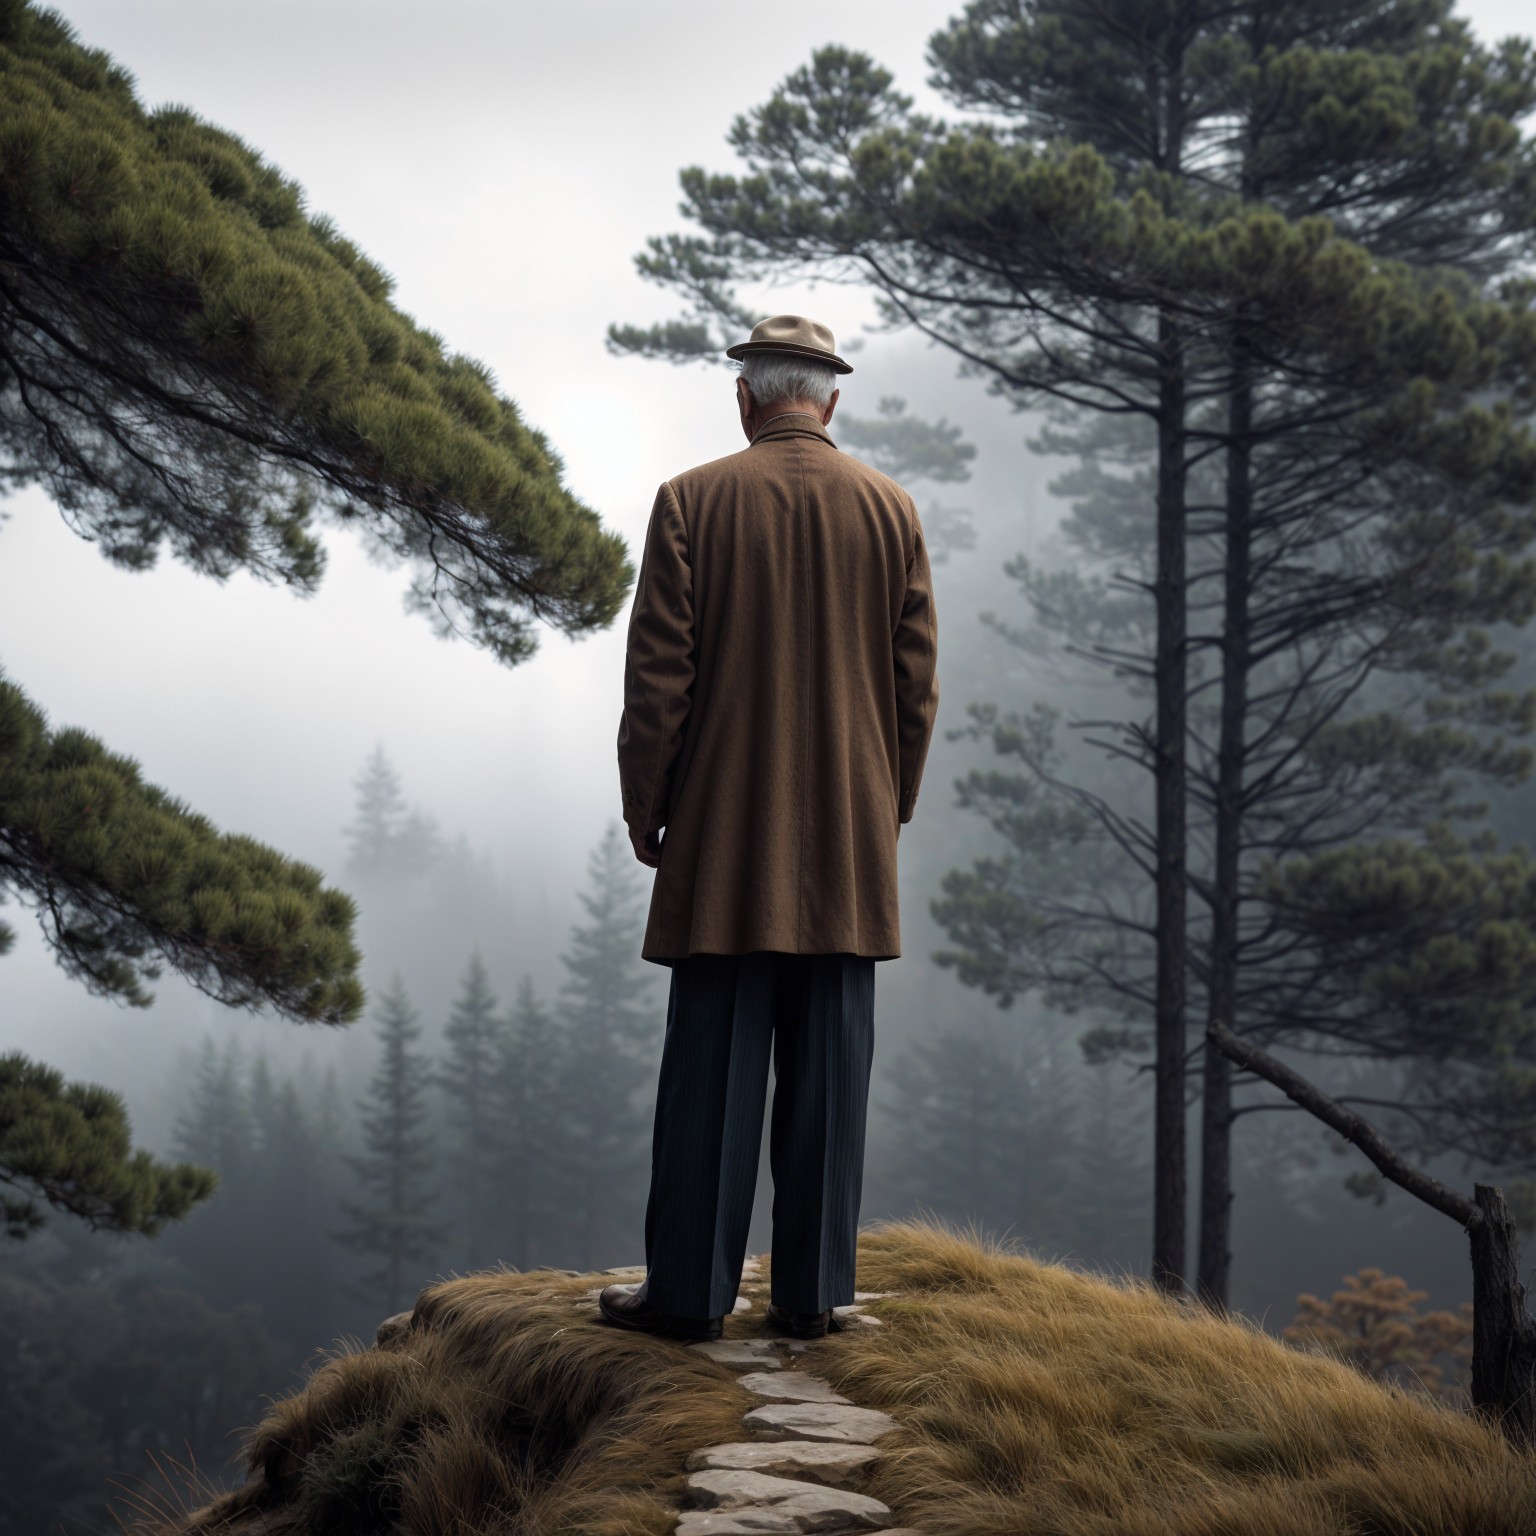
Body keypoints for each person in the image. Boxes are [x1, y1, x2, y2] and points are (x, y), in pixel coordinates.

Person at [599, 314, 939, 1343]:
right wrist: (887, 807)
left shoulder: (690, 502)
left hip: (721, 840)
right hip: (846, 838)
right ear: (829, 400)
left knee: (711, 1073)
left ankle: (692, 1297)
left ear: (745, 397)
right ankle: (815, 1296)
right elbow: (913, 688)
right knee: (831, 1077)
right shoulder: (892, 511)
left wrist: (647, 807)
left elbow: (660, 680)